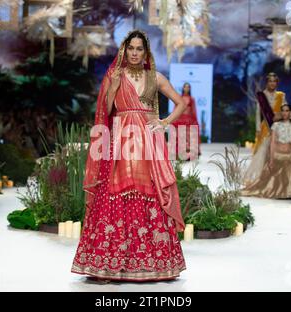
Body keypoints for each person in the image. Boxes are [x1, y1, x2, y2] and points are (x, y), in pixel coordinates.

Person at [71, 30, 187, 282]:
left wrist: (164, 122)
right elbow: (106, 109)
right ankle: (108, 263)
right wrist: (113, 86)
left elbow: (181, 103)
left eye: (139, 49)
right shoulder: (115, 75)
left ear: (146, 52)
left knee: (150, 192)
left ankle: (154, 264)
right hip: (120, 139)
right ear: (125, 50)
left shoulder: (155, 77)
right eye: (131, 48)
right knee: (115, 192)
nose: (135, 53)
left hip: (146, 140)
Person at [242, 104, 291, 199]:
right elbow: (272, 143)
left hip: (289, 154)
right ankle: (280, 191)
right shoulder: (276, 125)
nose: (285, 113)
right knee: (280, 167)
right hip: (277, 154)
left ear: (290, 113)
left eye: (287, 110)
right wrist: (271, 159)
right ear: (281, 113)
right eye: (283, 111)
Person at [243, 72, 286, 184]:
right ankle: (261, 177)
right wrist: (257, 129)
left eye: (274, 81)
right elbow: (258, 113)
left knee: (276, 151)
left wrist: (280, 116)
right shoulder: (261, 96)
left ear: (277, 83)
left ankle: (274, 178)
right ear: (267, 83)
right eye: (270, 81)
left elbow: (285, 110)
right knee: (262, 152)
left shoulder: (281, 95)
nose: (272, 83)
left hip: (278, 127)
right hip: (265, 128)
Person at [171, 82, 201, 159]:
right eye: (185, 87)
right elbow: (176, 109)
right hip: (180, 119)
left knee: (189, 137)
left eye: (188, 87)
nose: (186, 88)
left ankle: (189, 155)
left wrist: (195, 120)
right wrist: (173, 118)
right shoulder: (179, 98)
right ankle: (179, 154)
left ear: (190, 89)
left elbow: (194, 110)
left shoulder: (192, 99)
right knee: (180, 137)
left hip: (189, 120)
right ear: (183, 88)